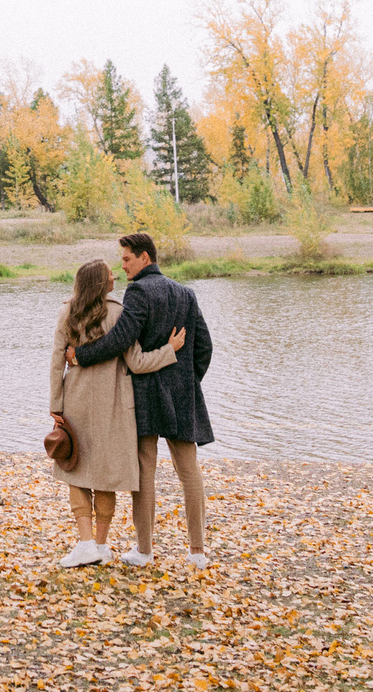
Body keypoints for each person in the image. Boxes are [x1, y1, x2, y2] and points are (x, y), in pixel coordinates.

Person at [68, 230, 213, 568]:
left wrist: (81, 356)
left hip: (146, 394)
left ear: (144, 257)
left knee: (145, 473)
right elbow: (204, 347)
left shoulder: (138, 291)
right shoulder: (186, 293)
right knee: (189, 472)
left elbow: (120, 339)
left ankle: (144, 551)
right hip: (181, 395)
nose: (123, 266)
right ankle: (197, 552)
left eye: (127, 259)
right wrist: (187, 382)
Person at [48, 258, 185, 567]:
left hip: (76, 402)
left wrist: (55, 404)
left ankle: (86, 544)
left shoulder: (67, 312)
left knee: (75, 468)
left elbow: (56, 362)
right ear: (100, 283)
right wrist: (170, 350)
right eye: (109, 274)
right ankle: (99, 544)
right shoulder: (119, 313)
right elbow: (137, 362)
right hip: (113, 405)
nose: (115, 277)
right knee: (104, 474)